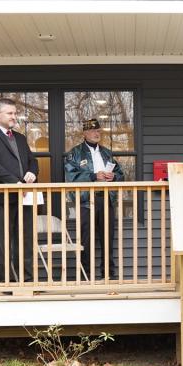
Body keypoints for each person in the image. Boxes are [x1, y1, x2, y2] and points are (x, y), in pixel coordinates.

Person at [0, 98, 38, 283]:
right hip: (0, 198)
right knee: (3, 243)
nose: (14, 116)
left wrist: (32, 173)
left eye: (14, 113)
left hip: (24, 196)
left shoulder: (20, 137)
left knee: (25, 241)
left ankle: (26, 281)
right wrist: (14, 182)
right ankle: (7, 283)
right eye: (10, 113)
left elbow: (32, 160)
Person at [64, 118, 125, 280]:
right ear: (85, 133)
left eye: (98, 131)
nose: (96, 133)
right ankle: (86, 275)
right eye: (93, 131)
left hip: (106, 199)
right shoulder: (75, 153)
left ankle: (108, 274)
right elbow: (70, 177)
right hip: (86, 201)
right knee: (86, 239)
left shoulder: (106, 152)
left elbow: (121, 174)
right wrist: (93, 176)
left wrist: (114, 176)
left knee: (107, 238)